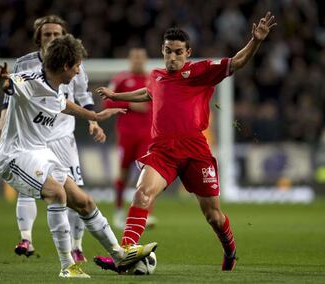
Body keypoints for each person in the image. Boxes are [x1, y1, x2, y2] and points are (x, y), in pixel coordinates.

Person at [94, 12, 277, 272]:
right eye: (168, 51)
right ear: (162, 50)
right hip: (162, 150)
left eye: (178, 52)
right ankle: (123, 253)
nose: (172, 57)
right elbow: (147, 93)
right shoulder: (156, 75)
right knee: (141, 194)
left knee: (213, 216)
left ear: (187, 52)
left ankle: (230, 251)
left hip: (195, 151)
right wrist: (116, 94)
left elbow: (236, 62)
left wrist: (256, 41)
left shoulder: (201, 71)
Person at [0, 34, 157, 278]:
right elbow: (6, 85)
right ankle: (67, 266)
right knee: (57, 194)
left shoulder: (56, 85)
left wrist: (96, 117)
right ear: (66, 66)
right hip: (14, 155)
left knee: (85, 202)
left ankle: (120, 256)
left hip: (40, 153)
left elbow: (64, 105)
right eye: (77, 65)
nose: (80, 70)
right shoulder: (30, 82)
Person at [0, 15, 104, 262]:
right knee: (30, 187)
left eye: (57, 34)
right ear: (39, 38)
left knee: (76, 192)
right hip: (33, 136)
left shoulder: (76, 65)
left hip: (62, 135)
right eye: (47, 34)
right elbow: (9, 93)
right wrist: (3, 120)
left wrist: (93, 120)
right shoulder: (24, 63)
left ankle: (76, 247)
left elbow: (81, 95)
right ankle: (26, 237)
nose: (53, 38)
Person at [104, 48, 155, 229]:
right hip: (126, 134)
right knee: (124, 172)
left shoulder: (153, 79)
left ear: (146, 60)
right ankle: (118, 211)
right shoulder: (121, 79)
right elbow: (107, 101)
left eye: (141, 58)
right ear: (129, 60)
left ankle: (145, 214)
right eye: (135, 58)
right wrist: (130, 104)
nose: (138, 61)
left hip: (147, 136)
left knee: (147, 173)